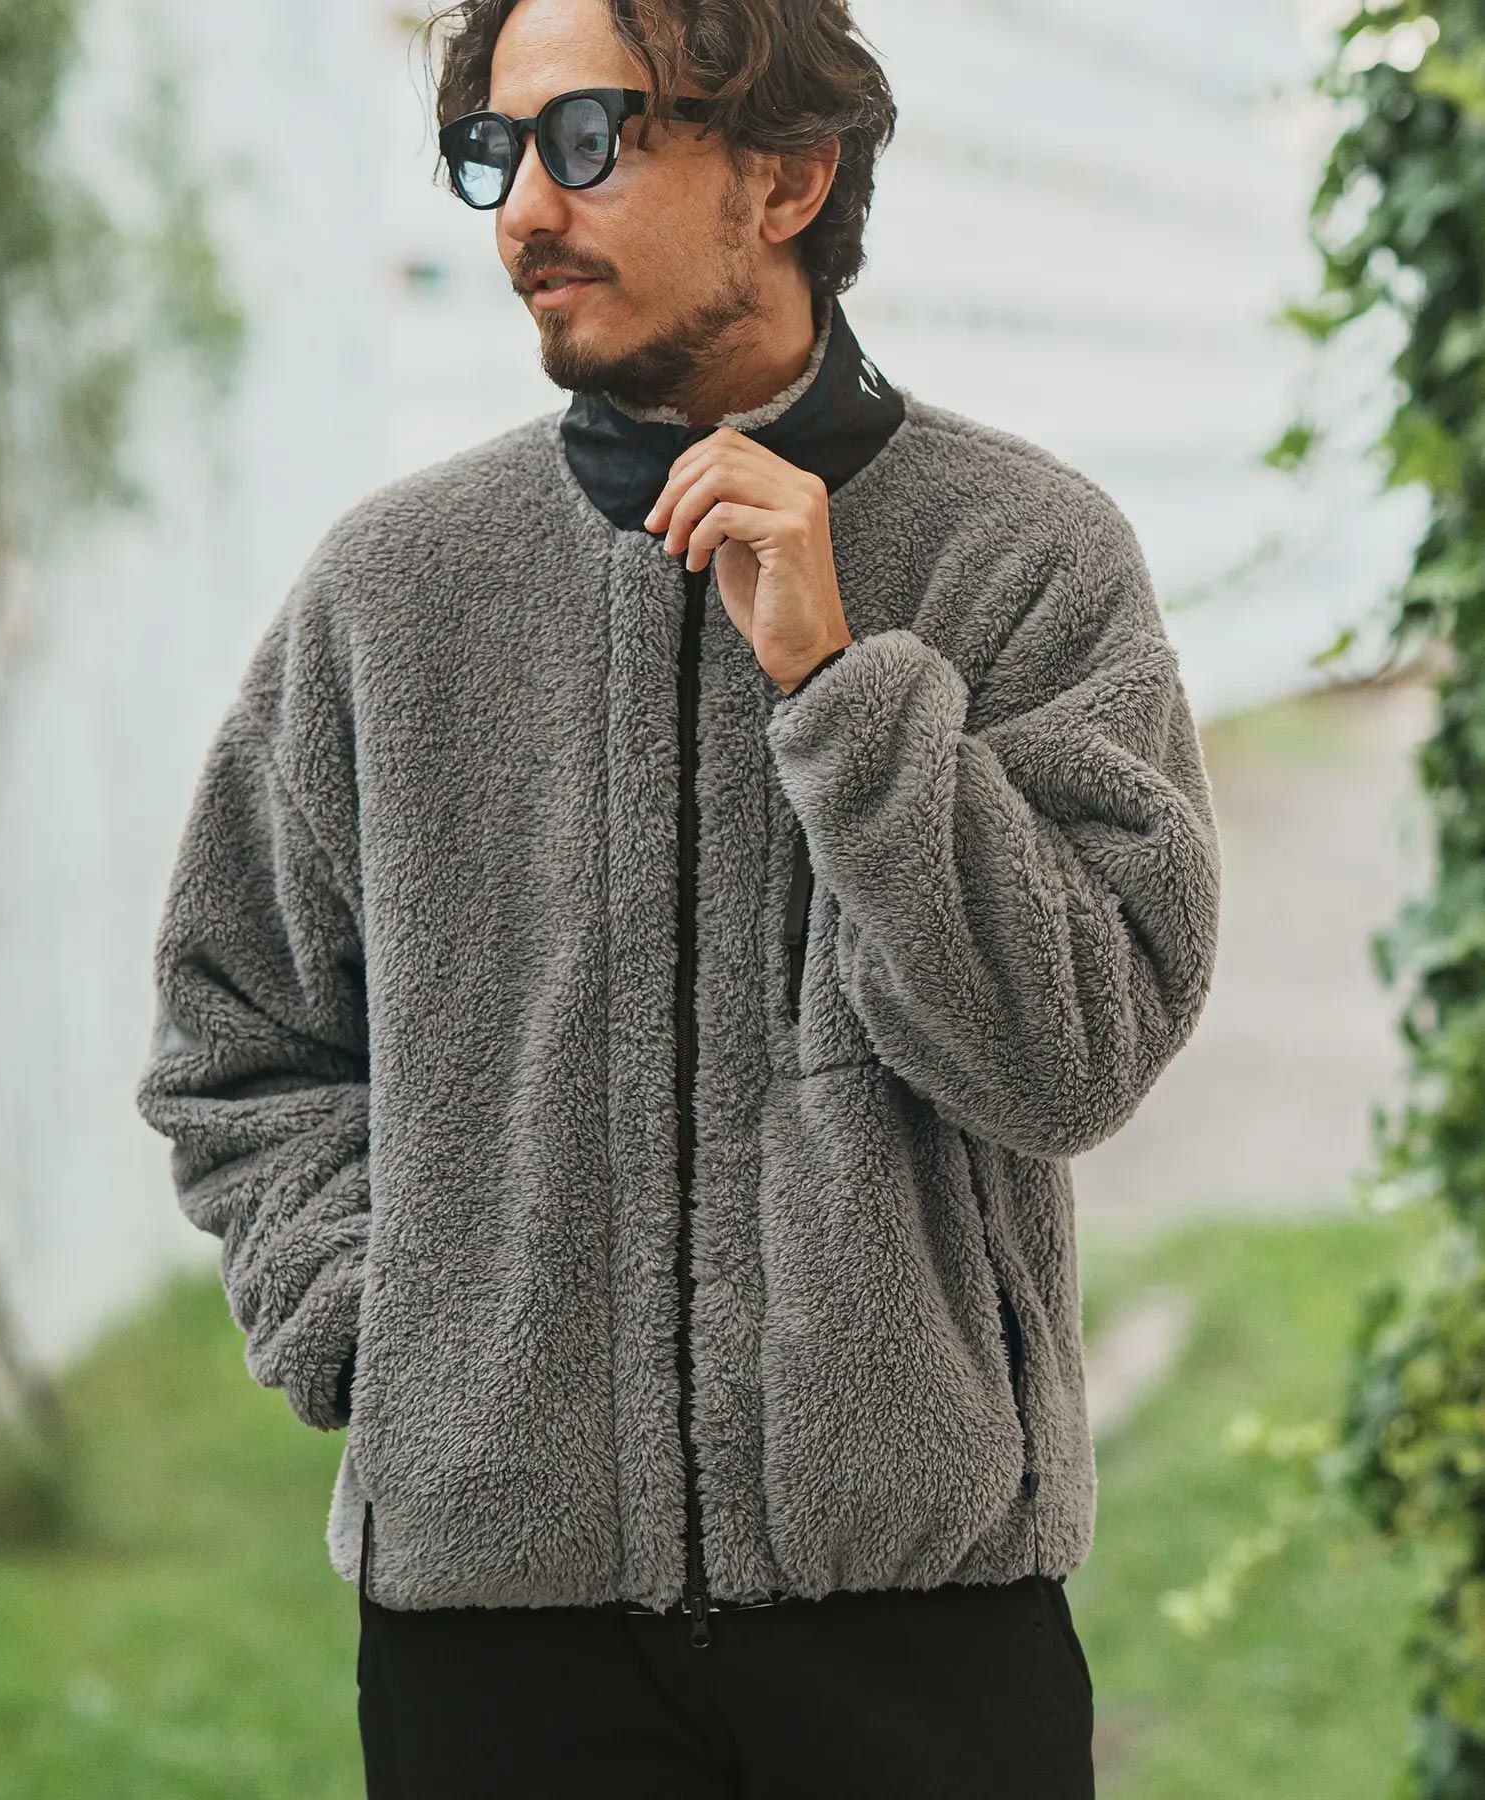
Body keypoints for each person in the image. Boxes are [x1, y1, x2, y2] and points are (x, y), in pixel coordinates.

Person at [133, 0, 1223, 1793]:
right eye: (495, 151)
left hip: (922, 1636)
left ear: (787, 175)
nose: (524, 212)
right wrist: (393, 1339)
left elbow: (1074, 1056)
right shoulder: (392, 594)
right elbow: (234, 1040)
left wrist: (843, 693)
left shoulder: (1028, 555)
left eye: (590, 139)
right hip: (495, 1655)